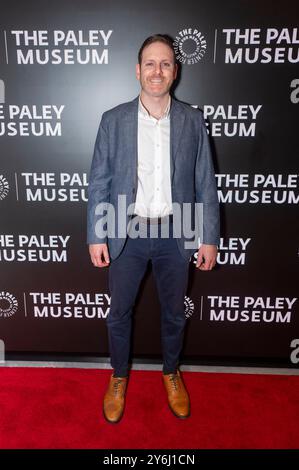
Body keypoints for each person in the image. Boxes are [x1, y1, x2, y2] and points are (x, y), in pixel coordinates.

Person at [87, 34, 220, 423]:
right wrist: (97, 233)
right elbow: (99, 182)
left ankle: (171, 372)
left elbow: (205, 182)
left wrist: (208, 237)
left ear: (174, 72)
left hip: (176, 234)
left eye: (165, 64)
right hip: (124, 230)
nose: (157, 71)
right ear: (137, 70)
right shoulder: (113, 120)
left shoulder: (193, 120)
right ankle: (118, 376)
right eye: (150, 63)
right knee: (119, 313)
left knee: (175, 313)